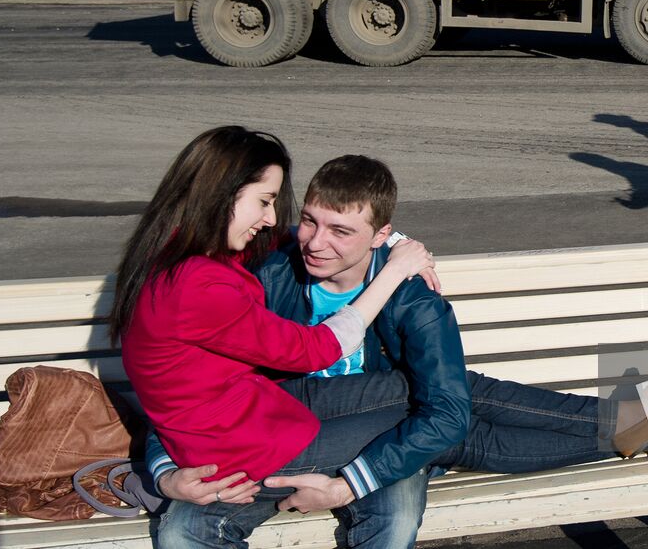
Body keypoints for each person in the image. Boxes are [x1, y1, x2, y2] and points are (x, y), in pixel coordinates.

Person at [148, 153, 648, 549]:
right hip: (278, 439)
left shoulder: (413, 299)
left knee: (427, 457)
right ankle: (634, 421)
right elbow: (185, 379)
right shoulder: (269, 273)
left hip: (387, 441)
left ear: (377, 235)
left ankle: (635, 422)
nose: (316, 242)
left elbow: (443, 416)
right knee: (183, 531)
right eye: (310, 221)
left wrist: (346, 485)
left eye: (341, 231)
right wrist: (167, 469)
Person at [110, 129, 438, 546]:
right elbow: (179, 404)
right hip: (263, 441)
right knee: (181, 534)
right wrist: (165, 475)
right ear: (221, 192)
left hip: (295, 422)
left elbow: (186, 389)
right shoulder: (205, 282)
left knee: (410, 486)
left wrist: (394, 241)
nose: (271, 219)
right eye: (265, 201)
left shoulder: (207, 254)